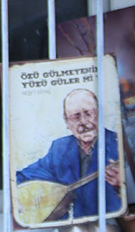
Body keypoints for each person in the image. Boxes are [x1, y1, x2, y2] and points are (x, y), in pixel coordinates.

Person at [16, 88, 122, 221]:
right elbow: (22, 176)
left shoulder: (119, 145)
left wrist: (121, 184)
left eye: (89, 114)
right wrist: (17, 197)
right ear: (66, 122)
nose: (83, 122)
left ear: (99, 114)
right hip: (70, 229)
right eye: (75, 116)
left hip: (111, 225)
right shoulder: (59, 149)